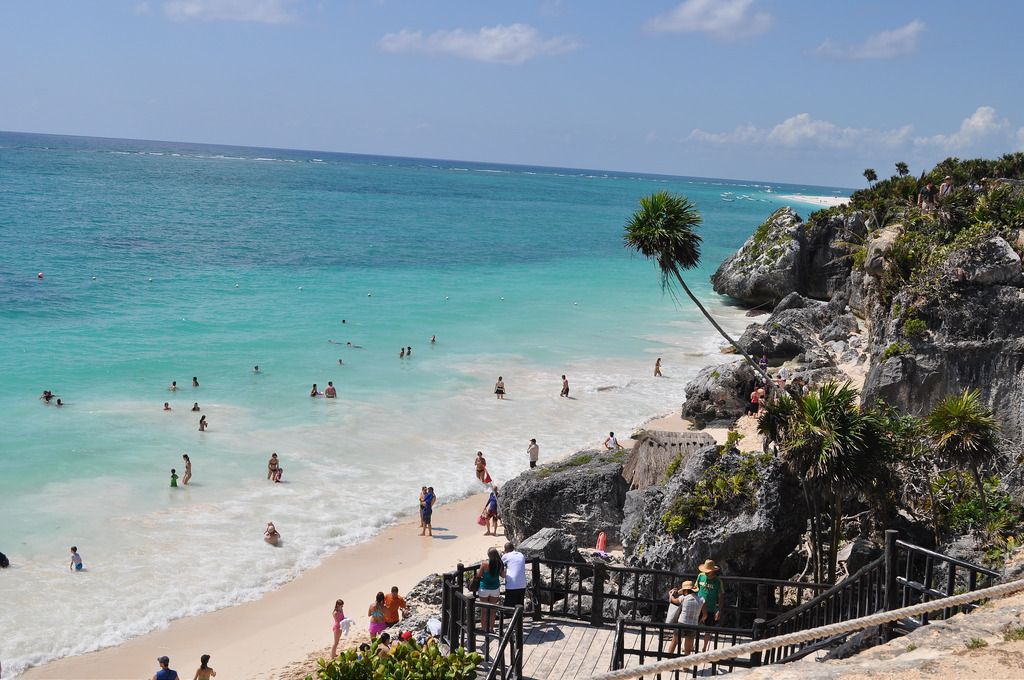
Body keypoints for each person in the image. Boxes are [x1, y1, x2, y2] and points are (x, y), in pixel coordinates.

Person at [666, 580, 704, 655]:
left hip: (682, 623)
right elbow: (705, 615)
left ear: (686, 590)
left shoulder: (683, 598)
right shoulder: (701, 599)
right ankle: (685, 666)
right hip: (693, 625)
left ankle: (668, 662)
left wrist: (670, 594)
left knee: (674, 643)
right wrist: (700, 621)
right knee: (688, 649)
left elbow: (672, 600)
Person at [697, 559, 725, 652]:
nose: (706, 573)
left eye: (708, 572)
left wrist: (719, 610)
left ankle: (704, 648)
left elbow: (721, 595)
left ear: (713, 571)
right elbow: (695, 589)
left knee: (708, 629)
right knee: (694, 627)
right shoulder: (700, 576)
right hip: (698, 606)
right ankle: (691, 645)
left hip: (711, 608)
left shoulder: (717, 581)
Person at [476, 548, 503, 632]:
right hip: (495, 588)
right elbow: (502, 575)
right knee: (493, 610)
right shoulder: (500, 564)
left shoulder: (484, 564)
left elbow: (478, 575)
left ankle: (484, 628)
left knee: (484, 610)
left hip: (484, 588)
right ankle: (491, 628)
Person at [502, 542, 527, 607]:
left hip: (512, 585)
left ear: (505, 550)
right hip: (522, 584)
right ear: (514, 548)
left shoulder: (506, 556)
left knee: (509, 607)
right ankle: (519, 617)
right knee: (520, 605)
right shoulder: (521, 554)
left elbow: (499, 564)